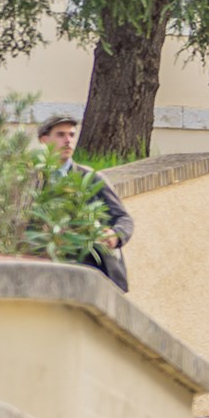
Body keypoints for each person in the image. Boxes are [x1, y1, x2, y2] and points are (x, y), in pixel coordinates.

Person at [36, 114, 133, 291]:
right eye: (60, 135)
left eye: (72, 135)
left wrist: (114, 234)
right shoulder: (35, 181)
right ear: (44, 140)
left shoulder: (91, 178)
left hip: (94, 270)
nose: (68, 140)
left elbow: (123, 218)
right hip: (49, 271)